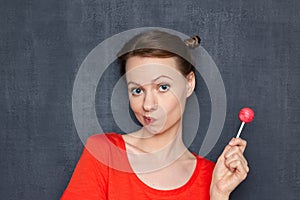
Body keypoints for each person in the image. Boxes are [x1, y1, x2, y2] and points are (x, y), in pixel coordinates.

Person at [61, 30, 249, 200]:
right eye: (137, 91)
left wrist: (219, 195)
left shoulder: (213, 176)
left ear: (189, 83)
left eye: (163, 87)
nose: (148, 105)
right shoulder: (105, 153)